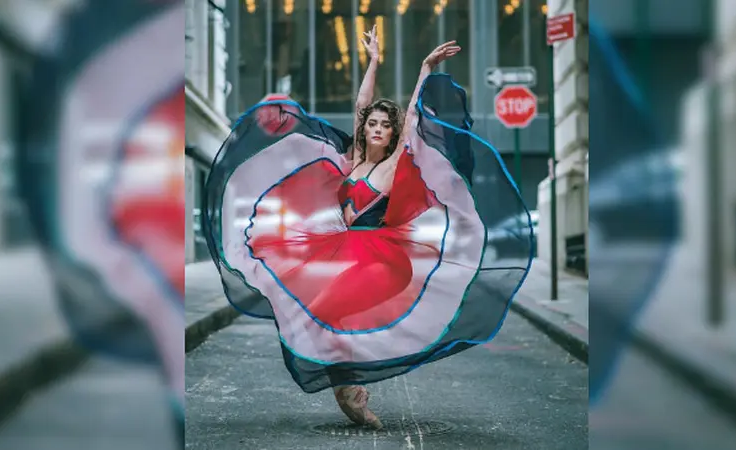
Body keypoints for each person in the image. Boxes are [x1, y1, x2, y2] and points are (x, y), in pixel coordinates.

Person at [202, 26, 533, 430]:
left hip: (382, 256)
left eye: (383, 125)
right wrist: (374, 60)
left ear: (392, 133)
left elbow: (413, 118)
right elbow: (360, 104)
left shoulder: (394, 165)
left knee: (335, 313)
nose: (376, 128)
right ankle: (350, 389)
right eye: (372, 124)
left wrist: (425, 69)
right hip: (341, 248)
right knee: (315, 312)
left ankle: (350, 387)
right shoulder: (355, 158)